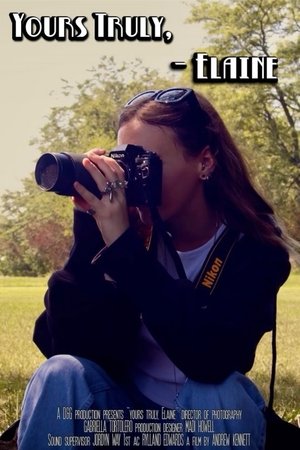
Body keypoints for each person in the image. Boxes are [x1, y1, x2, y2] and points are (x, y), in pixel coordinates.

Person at [17, 88, 291, 449]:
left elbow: (212, 358)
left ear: (204, 162)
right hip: (123, 418)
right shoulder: (131, 232)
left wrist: (126, 253)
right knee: (59, 373)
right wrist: (90, 234)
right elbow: (60, 344)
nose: (131, 179)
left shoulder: (255, 249)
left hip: (202, 424)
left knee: (218, 395)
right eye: (125, 163)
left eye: (145, 165)